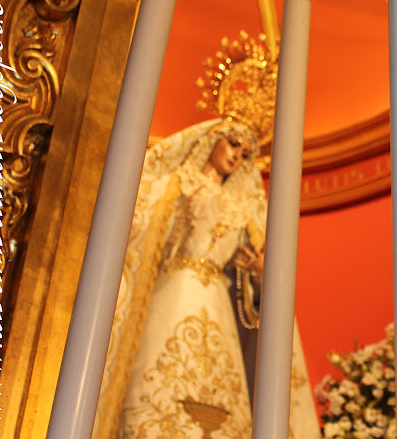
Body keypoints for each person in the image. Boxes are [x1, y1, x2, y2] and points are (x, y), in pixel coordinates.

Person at [92, 118, 320, 439]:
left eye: (244, 154)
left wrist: (258, 271)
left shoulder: (242, 211)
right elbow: (146, 232)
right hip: (175, 286)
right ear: (212, 141)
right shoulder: (177, 185)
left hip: (216, 299)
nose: (236, 156)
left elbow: (250, 281)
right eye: (233, 144)